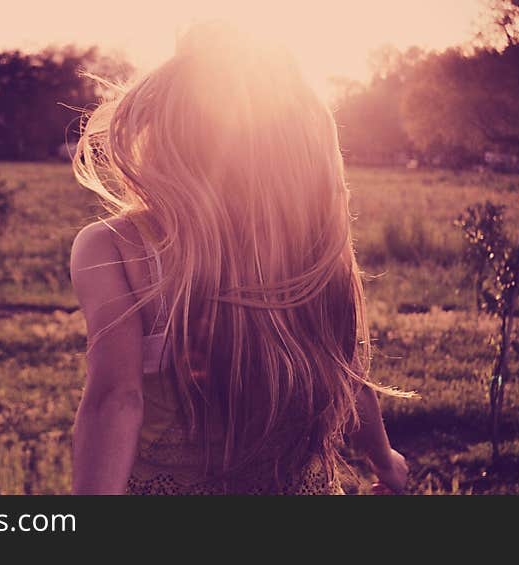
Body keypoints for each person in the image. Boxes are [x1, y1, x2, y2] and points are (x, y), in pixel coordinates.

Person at [69, 22, 411, 495]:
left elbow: (115, 400)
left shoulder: (114, 245)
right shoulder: (308, 245)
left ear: (166, 127)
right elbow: (347, 372)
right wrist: (384, 459)